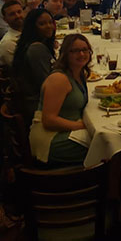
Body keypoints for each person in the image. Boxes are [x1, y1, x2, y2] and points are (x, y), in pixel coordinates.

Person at [29, 34, 90, 166]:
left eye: (85, 50)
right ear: (65, 54)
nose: (81, 54)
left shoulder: (78, 73)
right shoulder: (59, 79)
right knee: (104, 148)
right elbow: (49, 121)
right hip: (52, 139)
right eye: (75, 51)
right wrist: (82, 125)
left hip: (67, 130)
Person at [12, 8, 57, 123]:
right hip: (38, 105)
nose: (48, 26)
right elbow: (47, 84)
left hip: (32, 101)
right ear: (32, 27)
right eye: (42, 24)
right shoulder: (36, 49)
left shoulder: (31, 44)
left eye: (50, 22)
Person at [0, 0, 24, 68]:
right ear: (5, 19)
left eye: (19, 12)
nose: (17, 16)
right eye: (12, 14)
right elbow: (19, 69)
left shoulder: (29, 32)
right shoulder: (8, 43)